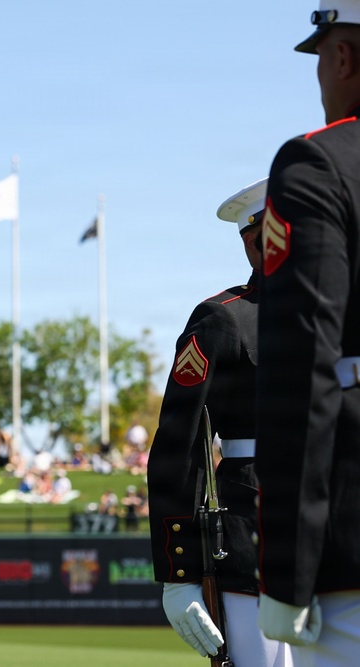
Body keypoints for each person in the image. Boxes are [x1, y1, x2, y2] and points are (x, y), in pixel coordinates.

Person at [147, 178, 292, 666]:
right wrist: (179, 572)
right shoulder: (221, 321)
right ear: (252, 242)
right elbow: (178, 448)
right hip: (258, 527)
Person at [254, 3, 360, 661]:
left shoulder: (319, 163)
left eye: (319, 56)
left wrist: (288, 572)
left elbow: (305, 371)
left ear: (344, 57)